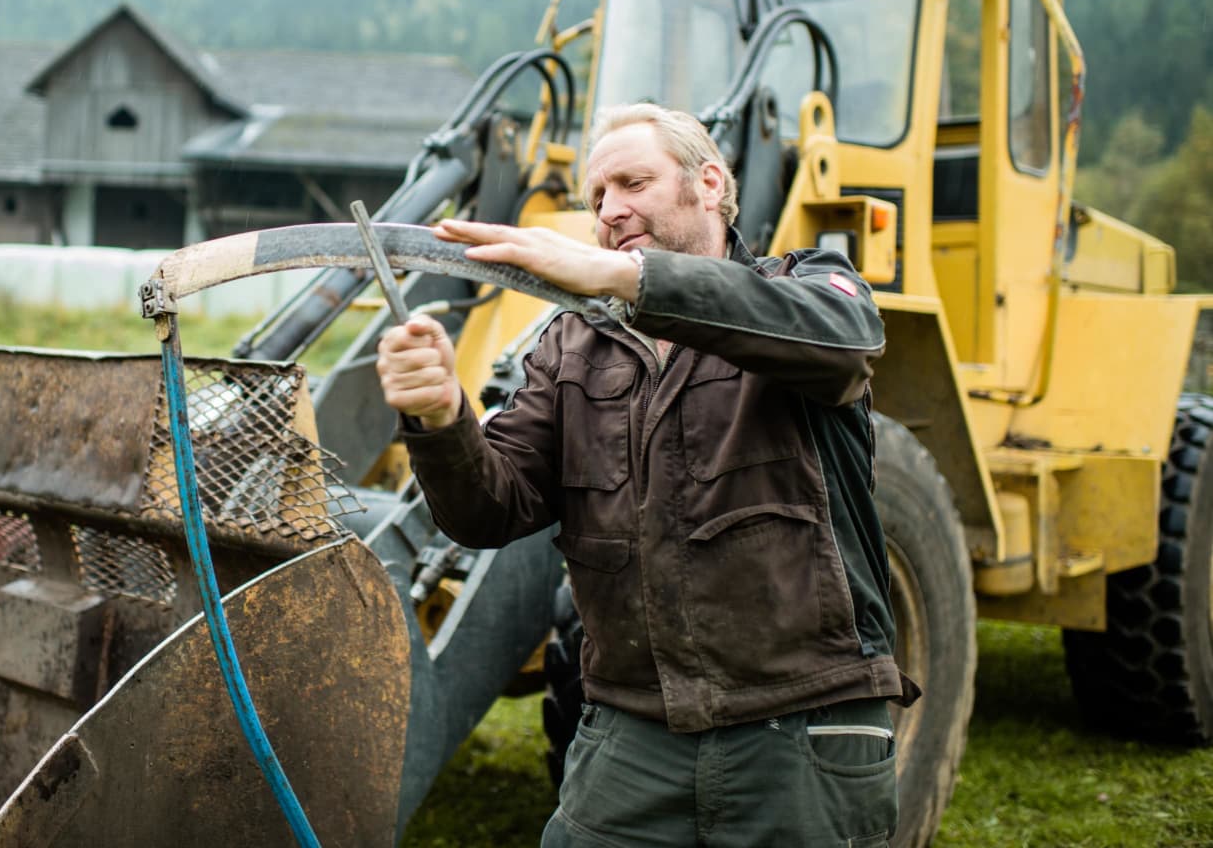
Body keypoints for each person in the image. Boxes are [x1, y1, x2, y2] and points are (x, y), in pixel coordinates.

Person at [376, 102, 917, 847]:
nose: (609, 211)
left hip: (801, 726)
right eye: (597, 197)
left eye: (633, 183)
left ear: (709, 183)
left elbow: (842, 343)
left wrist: (624, 276)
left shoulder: (808, 286)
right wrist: (440, 417)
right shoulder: (571, 348)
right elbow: (490, 510)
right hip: (630, 732)